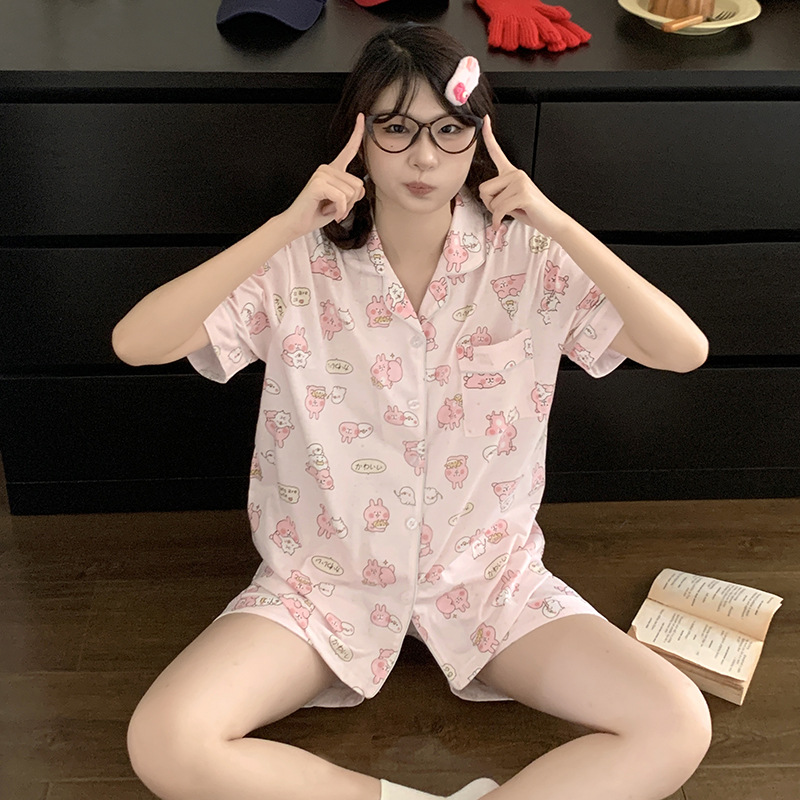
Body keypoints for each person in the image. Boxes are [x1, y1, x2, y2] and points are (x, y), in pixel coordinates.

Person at [113, 21, 713, 800]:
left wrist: (556, 222)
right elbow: (137, 344)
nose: (425, 158)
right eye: (396, 129)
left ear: (478, 138)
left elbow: (683, 350)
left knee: (678, 721)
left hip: (488, 583)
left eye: (449, 130)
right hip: (322, 583)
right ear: (358, 136)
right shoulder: (298, 261)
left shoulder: (526, 258)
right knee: (165, 741)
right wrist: (286, 224)